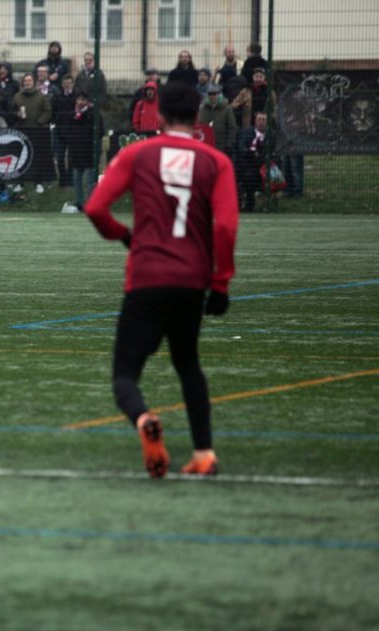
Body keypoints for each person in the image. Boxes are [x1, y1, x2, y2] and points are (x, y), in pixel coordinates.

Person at [84, 81, 239, 478]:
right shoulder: (215, 161)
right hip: (192, 280)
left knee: (124, 375)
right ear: (199, 116)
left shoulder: (137, 154)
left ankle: (143, 419)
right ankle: (204, 453)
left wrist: (125, 236)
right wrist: (220, 282)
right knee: (188, 363)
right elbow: (225, 227)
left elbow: (96, 207)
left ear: (159, 115)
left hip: (148, 276)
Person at [67, 92, 100, 210]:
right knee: (77, 179)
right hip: (75, 151)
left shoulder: (93, 114)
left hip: (88, 151)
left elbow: (100, 131)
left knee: (89, 180)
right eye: (79, 99)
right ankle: (79, 203)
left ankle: (90, 203)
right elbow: (68, 131)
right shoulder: (72, 114)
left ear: (87, 101)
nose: (80, 102)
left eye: (83, 100)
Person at [236, 111, 269, 212]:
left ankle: (250, 204)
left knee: (250, 176)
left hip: (261, 166)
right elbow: (241, 148)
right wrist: (251, 153)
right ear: (255, 121)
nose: (261, 122)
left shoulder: (270, 135)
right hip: (246, 162)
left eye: (263, 120)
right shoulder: (246, 133)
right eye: (259, 119)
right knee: (237, 173)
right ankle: (237, 203)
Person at [51, 74, 78, 186]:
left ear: (72, 84)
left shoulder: (77, 96)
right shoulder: (57, 96)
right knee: (60, 157)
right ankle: (62, 179)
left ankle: (70, 179)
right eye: (65, 83)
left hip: (73, 131)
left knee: (72, 157)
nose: (67, 85)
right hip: (60, 131)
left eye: (69, 83)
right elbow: (53, 111)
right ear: (62, 84)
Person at [199, 83, 237, 157]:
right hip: (205, 143)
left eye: (214, 94)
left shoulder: (227, 108)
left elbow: (232, 127)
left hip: (221, 144)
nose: (212, 96)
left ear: (219, 95)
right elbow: (199, 125)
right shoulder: (202, 109)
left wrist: (229, 143)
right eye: (210, 94)